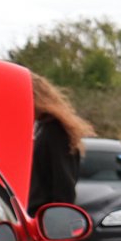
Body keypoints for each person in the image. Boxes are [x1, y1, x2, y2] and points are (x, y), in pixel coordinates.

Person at [28, 73, 93, 215]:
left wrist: (58, 219)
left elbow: (64, 185)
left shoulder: (55, 131)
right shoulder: (42, 127)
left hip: (45, 217)